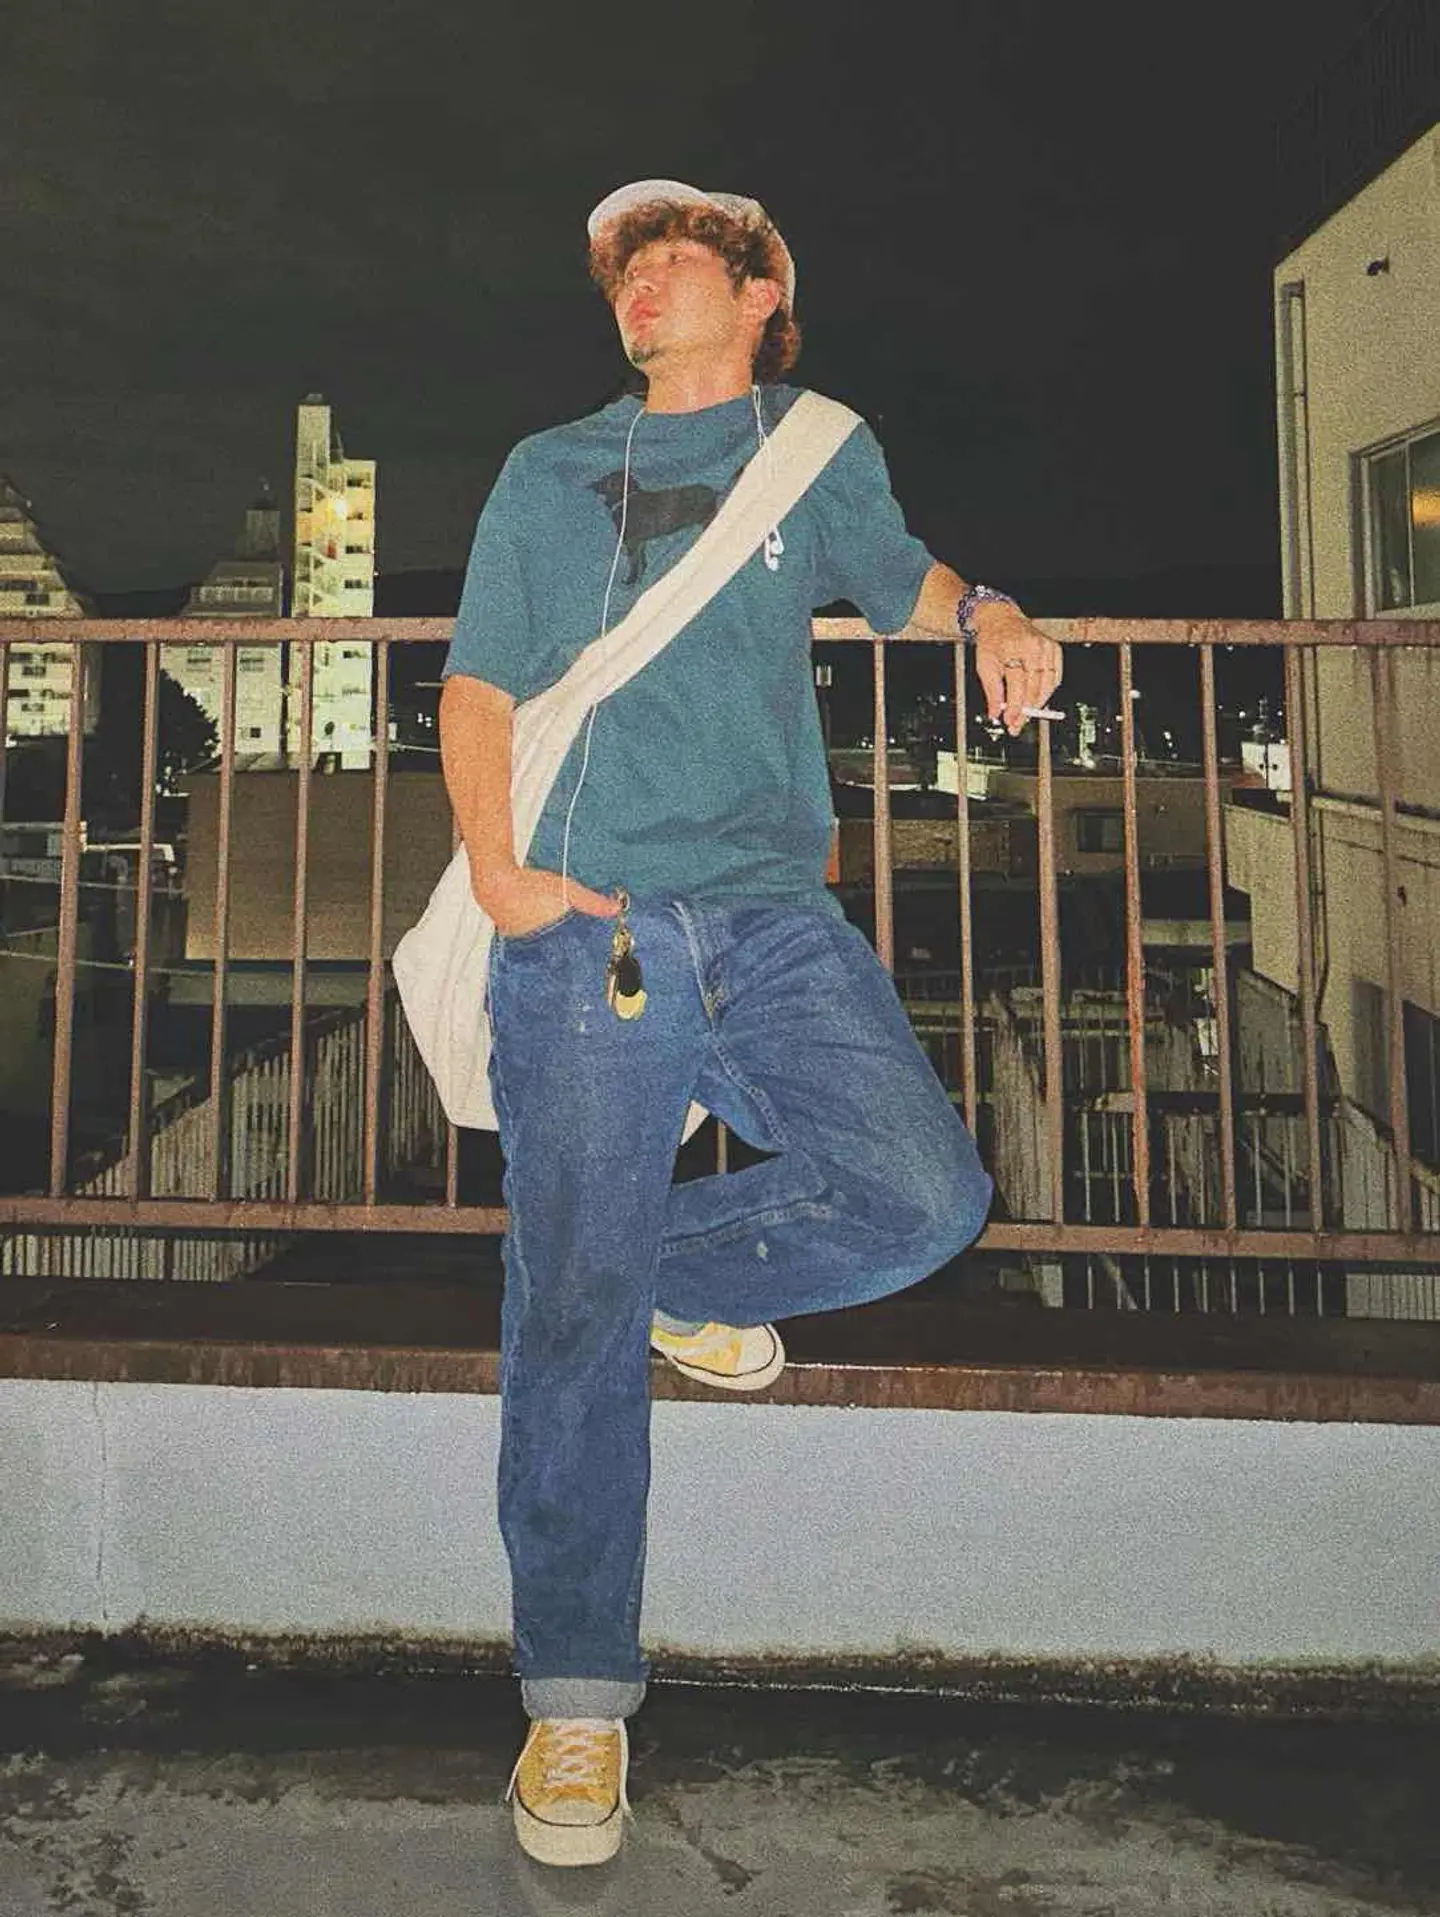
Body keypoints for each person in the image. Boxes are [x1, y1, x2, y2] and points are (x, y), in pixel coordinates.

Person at [438, 178, 1063, 1869]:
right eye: (623, 269)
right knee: (570, 1313)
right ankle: (576, 1700)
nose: (640, 284)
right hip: (591, 924)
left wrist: (990, 612)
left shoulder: (819, 449)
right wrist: (500, 874)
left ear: (761, 290)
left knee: (922, 1195)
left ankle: (662, 1280)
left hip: (777, 918)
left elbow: (901, 579)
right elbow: (480, 682)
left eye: (673, 258)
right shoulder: (549, 469)